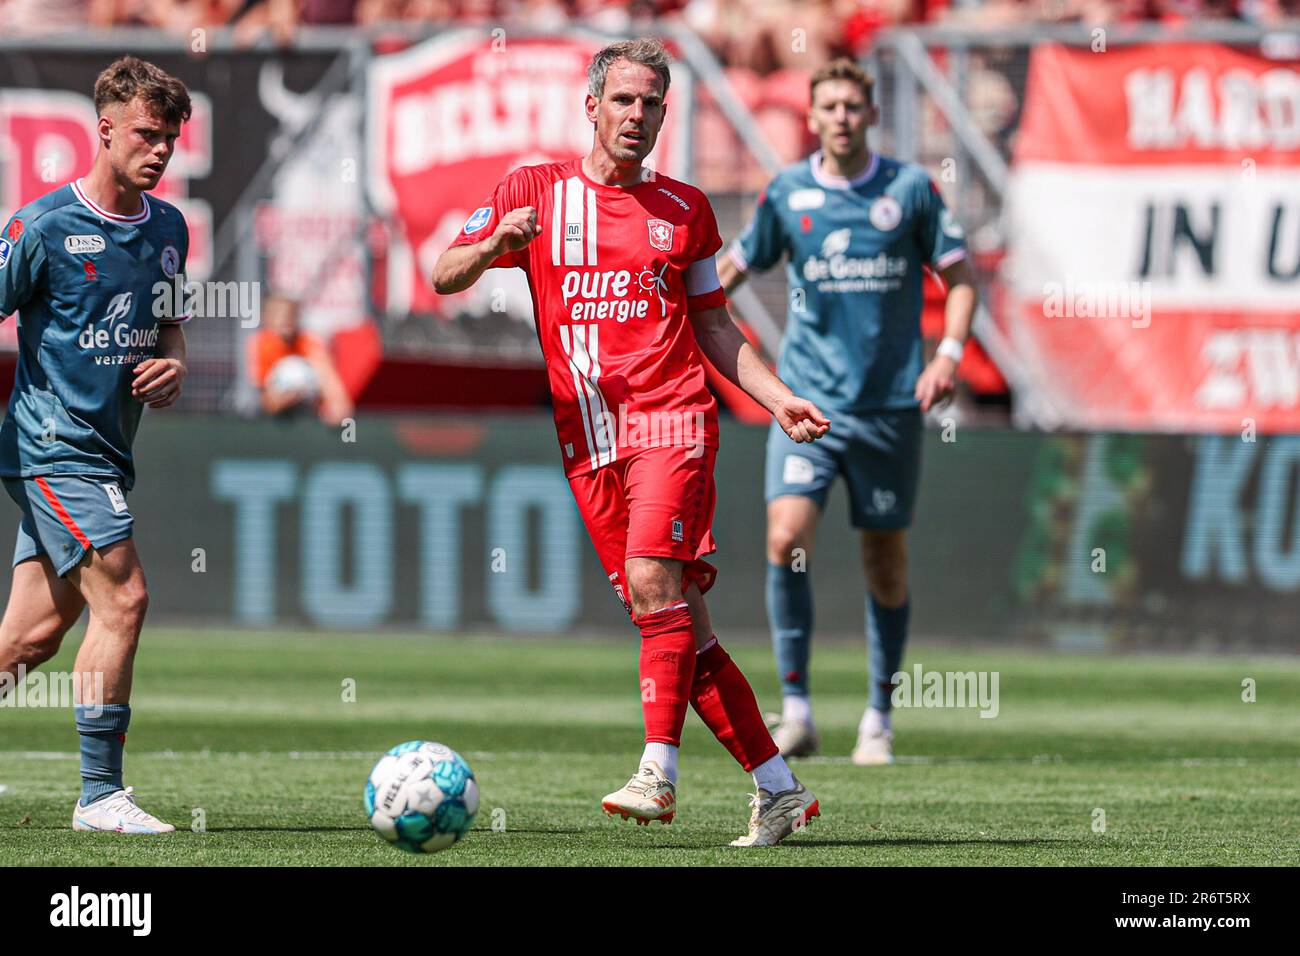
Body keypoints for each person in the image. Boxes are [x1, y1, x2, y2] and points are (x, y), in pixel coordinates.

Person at [433, 38, 831, 847]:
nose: (638, 116)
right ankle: (777, 786)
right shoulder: (534, 191)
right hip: (588, 441)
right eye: (624, 100)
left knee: (656, 584)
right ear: (591, 105)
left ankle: (658, 768)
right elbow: (444, 273)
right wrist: (490, 246)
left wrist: (780, 397)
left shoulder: (686, 210)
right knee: (682, 625)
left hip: (672, 421)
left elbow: (715, 327)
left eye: (652, 103)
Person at [717, 57, 978, 765]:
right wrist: (680, 304)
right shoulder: (787, 193)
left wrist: (948, 354)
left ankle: (879, 718)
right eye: (827, 105)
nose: (840, 117)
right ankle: (797, 710)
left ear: (870, 115)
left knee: (884, 564)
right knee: (785, 539)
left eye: (851, 106)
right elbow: (732, 270)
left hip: (890, 408)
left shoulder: (910, 191)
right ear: (812, 115)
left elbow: (959, 278)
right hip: (807, 402)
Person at [0, 57, 193, 833]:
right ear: (105, 129)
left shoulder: (170, 229)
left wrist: (174, 362)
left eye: (172, 138)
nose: (161, 150)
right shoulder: (44, 227)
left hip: (107, 452)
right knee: (126, 596)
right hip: (52, 446)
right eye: (148, 134)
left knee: (33, 635)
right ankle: (100, 795)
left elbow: (173, 320)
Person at [247, 294, 354, 425]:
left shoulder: (309, 342)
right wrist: (279, 401)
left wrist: (337, 405)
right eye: (278, 314)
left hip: (311, 414)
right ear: (267, 318)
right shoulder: (261, 344)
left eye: (290, 315)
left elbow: (328, 377)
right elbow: (263, 396)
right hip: (270, 418)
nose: (285, 320)